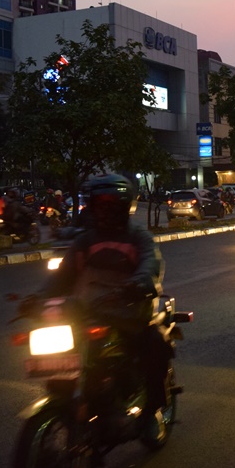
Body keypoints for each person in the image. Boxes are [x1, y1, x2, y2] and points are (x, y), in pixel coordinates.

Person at [37, 174, 171, 439]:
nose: (105, 209)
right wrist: (36, 299)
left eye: (112, 204)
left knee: (156, 346)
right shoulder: (84, 241)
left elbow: (149, 266)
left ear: (125, 206)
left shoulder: (138, 238)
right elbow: (60, 278)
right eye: (100, 203)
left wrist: (136, 285)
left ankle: (151, 412)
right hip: (87, 314)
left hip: (130, 315)